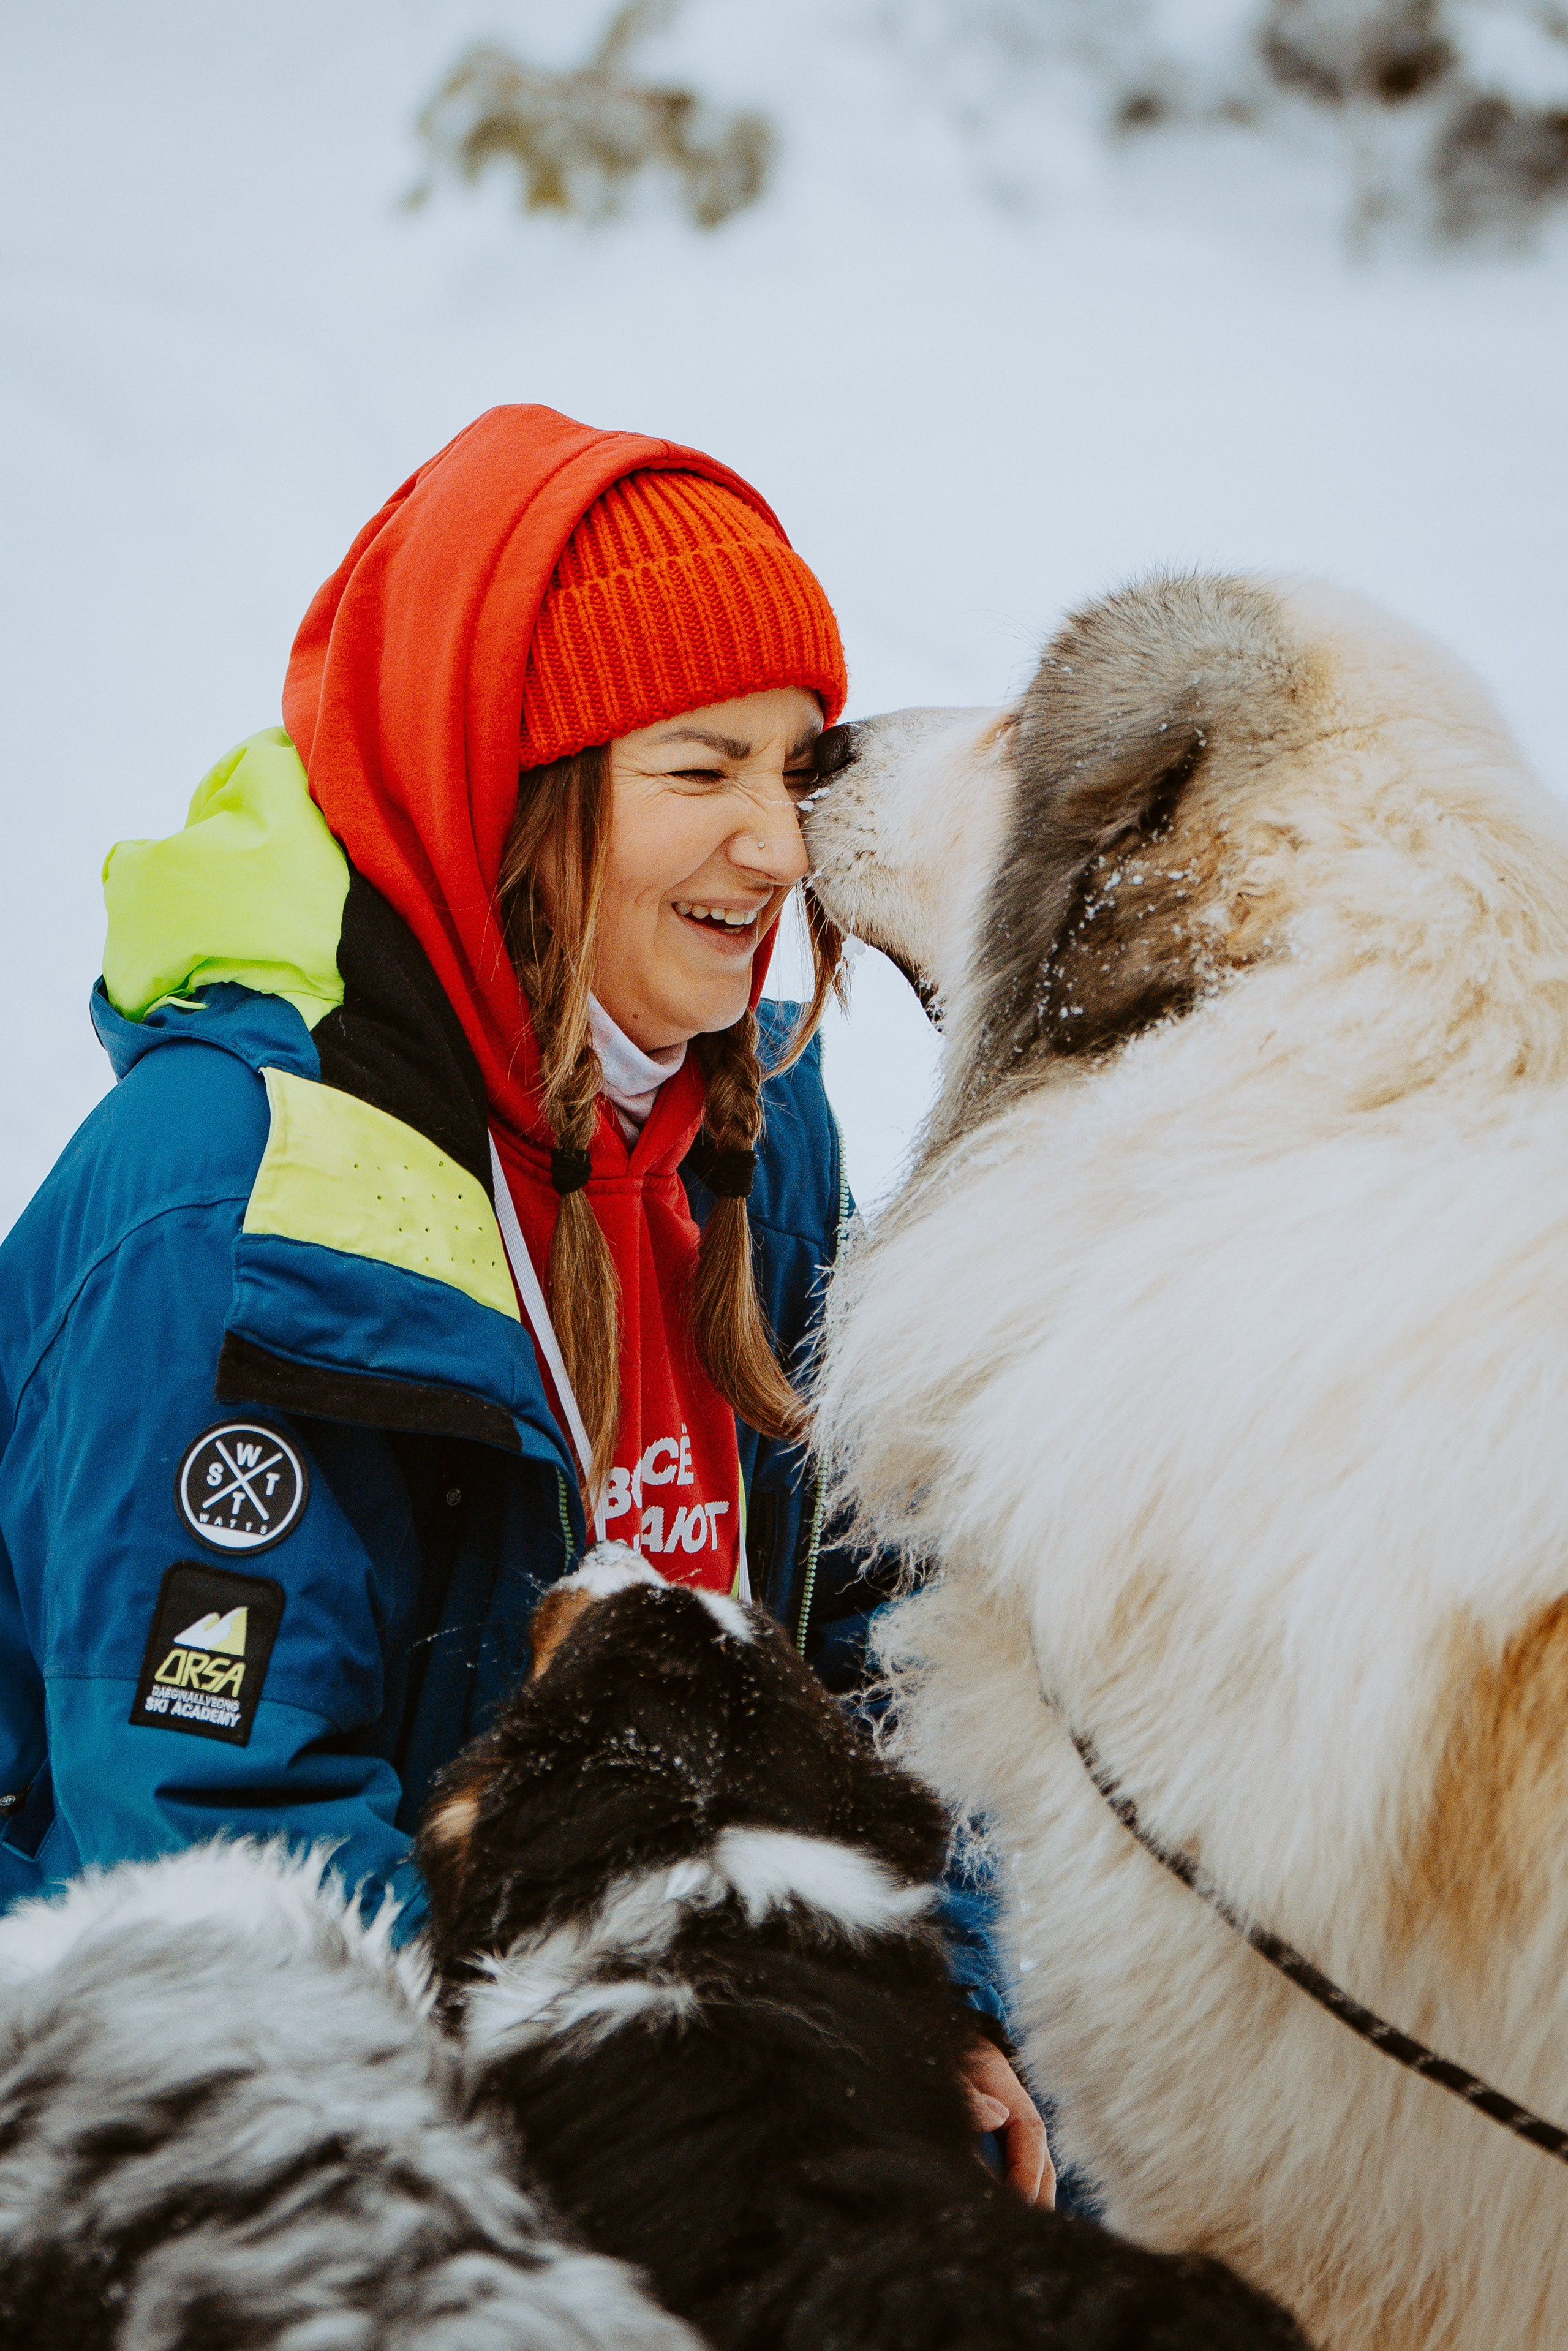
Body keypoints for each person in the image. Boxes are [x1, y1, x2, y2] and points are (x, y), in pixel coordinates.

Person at [0, 404, 1050, 2201]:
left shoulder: (753, 1124)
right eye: (696, 770)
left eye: (789, 774)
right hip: (225, 2135)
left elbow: (881, 1629)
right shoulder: (234, 1207)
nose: (778, 853)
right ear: (511, 785)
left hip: (683, 2040)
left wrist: (928, 1999)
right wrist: (728, 2090)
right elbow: (207, 1845)